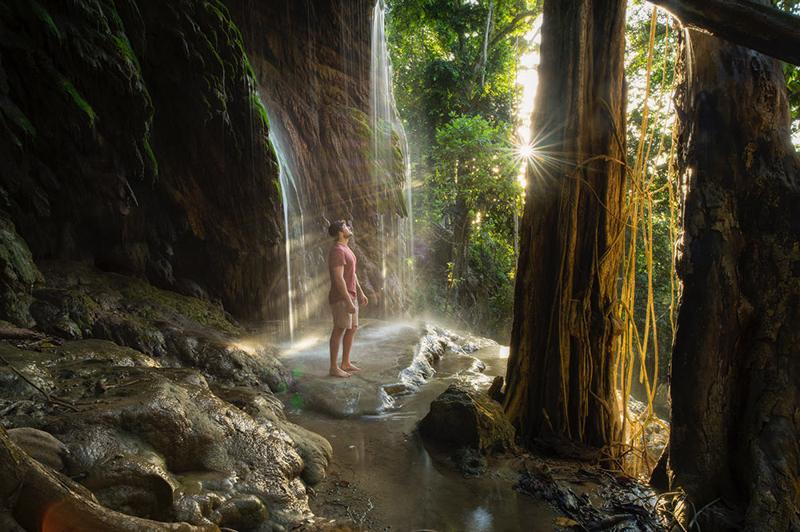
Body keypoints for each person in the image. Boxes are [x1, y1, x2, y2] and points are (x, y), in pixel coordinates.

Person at [327, 219, 368, 377]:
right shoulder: (337, 251)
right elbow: (338, 278)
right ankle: (333, 367)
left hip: (351, 294)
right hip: (341, 297)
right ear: (340, 232)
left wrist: (360, 292)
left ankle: (345, 363)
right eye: (345, 226)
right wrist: (348, 301)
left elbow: (352, 274)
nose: (349, 227)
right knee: (339, 329)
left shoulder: (346, 248)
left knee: (352, 328)